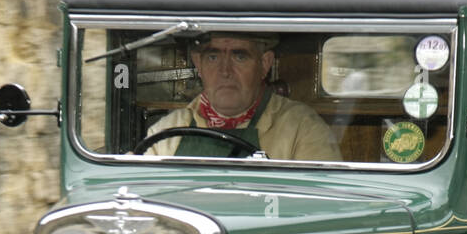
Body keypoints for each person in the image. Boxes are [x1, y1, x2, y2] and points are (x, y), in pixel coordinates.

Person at [144, 32, 341, 161]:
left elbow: (319, 208)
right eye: (213, 57)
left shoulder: (302, 128)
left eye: (240, 57)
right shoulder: (165, 133)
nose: (225, 71)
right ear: (199, 64)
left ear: (264, 64)